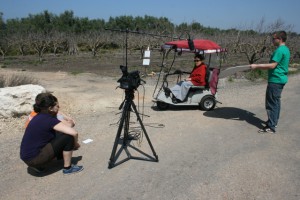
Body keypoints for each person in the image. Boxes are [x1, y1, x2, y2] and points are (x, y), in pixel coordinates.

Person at [20, 93, 83, 175]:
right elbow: (74, 133)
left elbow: (65, 126)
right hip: (35, 159)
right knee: (68, 137)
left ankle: (40, 165)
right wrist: (75, 144)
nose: (59, 108)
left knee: (60, 134)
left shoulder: (39, 116)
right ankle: (68, 168)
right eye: (57, 106)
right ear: (50, 108)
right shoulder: (49, 120)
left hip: (27, 157)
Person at [250, 31, 290, 133]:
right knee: (276, 102)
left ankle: (271, 127)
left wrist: (256, 66)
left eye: (273, 39)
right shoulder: (286, 49)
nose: (272, 40)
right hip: (280, 79)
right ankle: (274, 122)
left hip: (275, 80)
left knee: (271, 103)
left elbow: (272, 65)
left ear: (280, 39)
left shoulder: (280, 50)